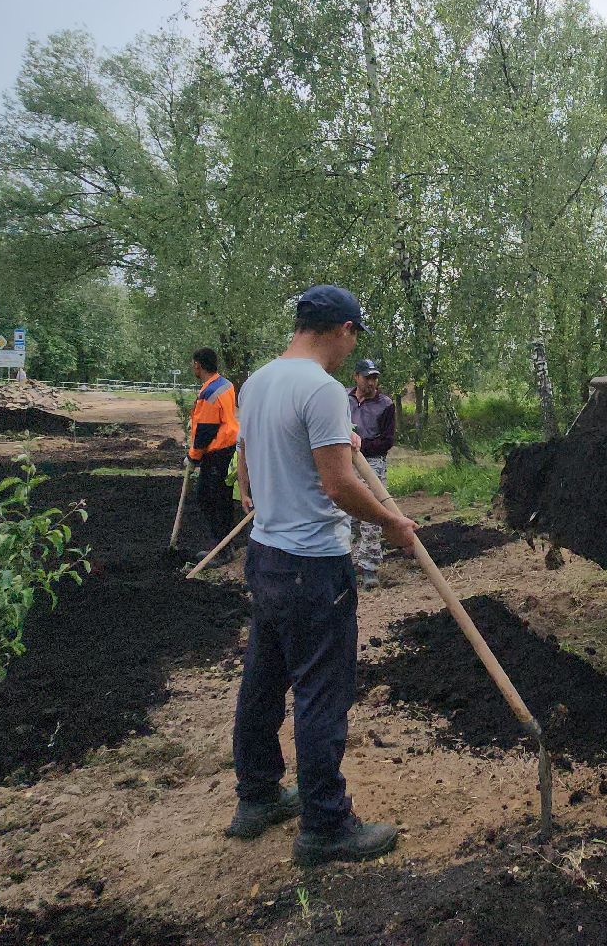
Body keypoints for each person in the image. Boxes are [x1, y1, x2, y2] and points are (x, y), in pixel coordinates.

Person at [226, 285, 419, 866]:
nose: (352, 347)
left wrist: (332, 447)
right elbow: (337, 485)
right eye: (355, 334)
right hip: (313, 568)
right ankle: (326, 828)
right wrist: (391, 522)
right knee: (320, 694)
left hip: (265, 557)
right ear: (343, 330)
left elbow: (247, 468)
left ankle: (257, 797)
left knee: (263, 682)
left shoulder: (258, 382)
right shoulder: (323, 390)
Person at [187, 348, 239, 565]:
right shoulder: (225, 385)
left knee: (210, 499)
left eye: (193, 364)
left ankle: (222, 550)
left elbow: (206, 430)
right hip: (228, 448)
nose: (193, 368)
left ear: (198, 365)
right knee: (221, 500)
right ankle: (226, 545)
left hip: (217, 452)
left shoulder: (209, 393)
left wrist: (193, 457)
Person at [347, 358, 397, 586]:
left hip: (372, 463)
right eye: (367, 377)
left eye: (374, 378)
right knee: (344, 514)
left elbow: (387, 441)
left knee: (372, 514)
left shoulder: (385, 404)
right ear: (356, 377)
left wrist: (361, 446)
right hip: (345, 461)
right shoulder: (341, 399)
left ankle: (369, 567)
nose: (371, 382)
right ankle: (346, 563)